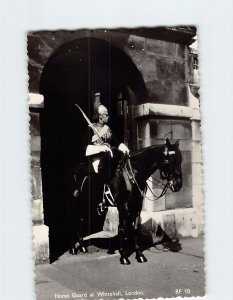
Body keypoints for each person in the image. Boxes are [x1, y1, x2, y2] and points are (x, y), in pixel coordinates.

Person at [73, 104, 129, 197]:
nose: (108, 117)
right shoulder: (90, 129)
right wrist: (101, 148)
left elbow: (116, 142)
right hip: (96, 159)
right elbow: (85, 148)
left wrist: (123, 147)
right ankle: (100, 196)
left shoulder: (108, 129)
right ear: (100, 116)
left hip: (108, 156)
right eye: (106, 115)